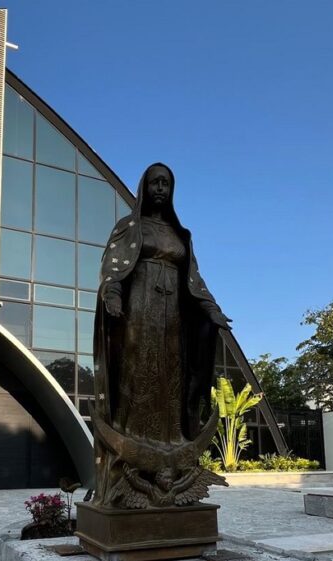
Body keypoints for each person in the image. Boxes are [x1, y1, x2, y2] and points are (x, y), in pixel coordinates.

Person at [91, 163, 230, 507]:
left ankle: (172, 448)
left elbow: (194, 280)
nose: (160, 189)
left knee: (172, 378)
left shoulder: (180, 234)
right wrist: (112, 295)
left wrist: (211, 310)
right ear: (144, 186)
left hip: (174, 319)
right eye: (155, 182)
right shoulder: (130, 227)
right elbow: (113, 269)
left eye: (166, 183)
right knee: (140, 374)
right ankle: (132, 452)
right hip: (140, 310)